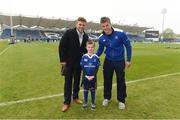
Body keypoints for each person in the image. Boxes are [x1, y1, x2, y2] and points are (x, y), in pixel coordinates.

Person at [96, 17, 132, 110]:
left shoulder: (120, 33)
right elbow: (100, 50)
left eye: (107, 25)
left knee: (121, 80)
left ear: (110, 24)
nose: (105, 28)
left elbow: (128, 45)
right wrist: (94, 57)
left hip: (120, 61)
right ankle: (107, 98)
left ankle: (121, 100)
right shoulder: (101, 37)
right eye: (103, 26)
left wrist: (128, 60)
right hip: (108, 61)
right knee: (107, 80)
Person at [59, 17, 89, 112]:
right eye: (80, 24)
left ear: (85, 26)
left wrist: (88, 56)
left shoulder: (85, 36)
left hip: (79, 63)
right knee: (68, 82)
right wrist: (63, 60)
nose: (81, 26)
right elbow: (62, 46)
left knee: (76, 81)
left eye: (83, 25)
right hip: (68, 62)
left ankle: (75, 97)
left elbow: (84, 50)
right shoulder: (69, 33)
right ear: (76, 24)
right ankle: (66, 102)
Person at [80, 40, 100, 111]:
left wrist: (93, 76)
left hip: (93, 78)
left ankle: (93, 103)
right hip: (85, 77)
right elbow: (82, 67)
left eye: (92, 47)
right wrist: (86, 76)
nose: (90, 49)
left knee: (92, 90)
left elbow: (97, 68)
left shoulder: (96, 57)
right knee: (85, 90)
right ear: (86, 47)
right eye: (89, 47)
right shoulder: (84, 57)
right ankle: (85, 102)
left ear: (94, 48)